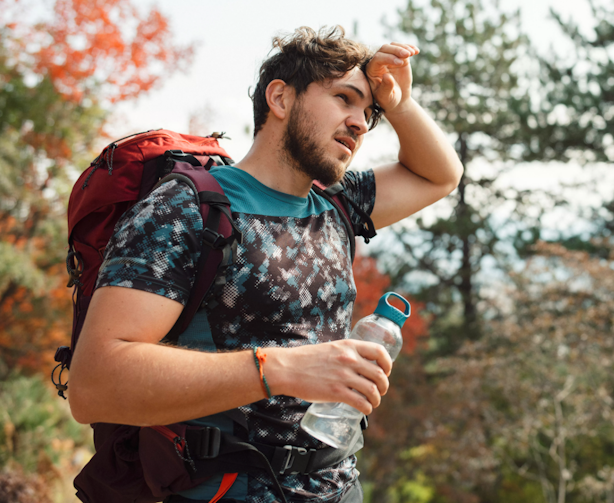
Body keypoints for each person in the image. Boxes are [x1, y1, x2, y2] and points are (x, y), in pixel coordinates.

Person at [67, 26, 464, 503]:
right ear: (280, 98)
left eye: (369, 113)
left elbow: (440, 175)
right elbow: (94, 386)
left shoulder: (337, 204)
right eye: (344, 98)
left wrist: (399, 103)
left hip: (339, 488)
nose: (360, 123)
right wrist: (279, 369)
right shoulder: (187, 208)